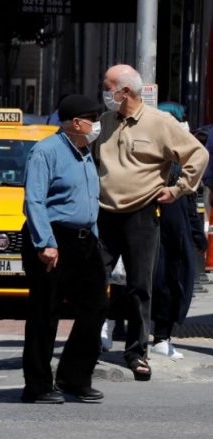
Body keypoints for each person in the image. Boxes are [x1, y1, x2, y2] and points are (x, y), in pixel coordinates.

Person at [93, 64, 208, 381]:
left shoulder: (160, 123)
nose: (104, 93)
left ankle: (137, 353)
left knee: (140, 288)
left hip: (141, 216)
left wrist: (178, 189)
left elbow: (197, 155)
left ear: (125, 92)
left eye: (108, 87)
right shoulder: (104, 122)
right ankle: (88, 346)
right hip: (104, 215)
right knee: (92, 282)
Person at [21, 94, 107, 404]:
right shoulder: (46, 151)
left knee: (96, 307)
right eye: (91, 118)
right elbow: (34, 200)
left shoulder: (86, 153)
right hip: (52, 240)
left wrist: (95, 235)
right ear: (75, 122)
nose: (96, 124)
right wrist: (45, 243)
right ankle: (38, 385)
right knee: (46, 312)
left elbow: (88, 201)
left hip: (85, 241)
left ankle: (74, 377)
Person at [149, 103, 207, 360]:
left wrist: (197, 234)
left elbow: (192, 198)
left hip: (174, 230)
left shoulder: (183, 159)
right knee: (153, 281)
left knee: (171, 282)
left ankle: (162, 336)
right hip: (156, 228)